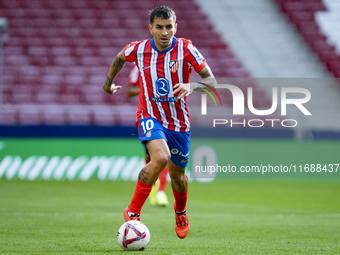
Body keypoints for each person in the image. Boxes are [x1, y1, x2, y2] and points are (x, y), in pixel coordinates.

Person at [102, 5, 216, 239]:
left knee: (178, 177)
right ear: (151, 28)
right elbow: (119, 58)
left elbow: (211, 80)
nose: (165, 32)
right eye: (160, 27)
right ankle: (132, 211)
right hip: (149, 115)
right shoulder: (139, 49)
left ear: (176, 27)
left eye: (169, 27)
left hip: (179, 122)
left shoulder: (186, 48)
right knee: (161, 157)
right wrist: (108, 83)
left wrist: (191, 86)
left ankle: (180, 211)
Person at [127, 64, 169, 207]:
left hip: (169, 116)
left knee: (165, 153)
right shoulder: (139, 65)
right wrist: (148, 89)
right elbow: (130, 91)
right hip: (148, 116)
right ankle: (152, 186)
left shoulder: (171, 62)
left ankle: (161, 191)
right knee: (151, 154)